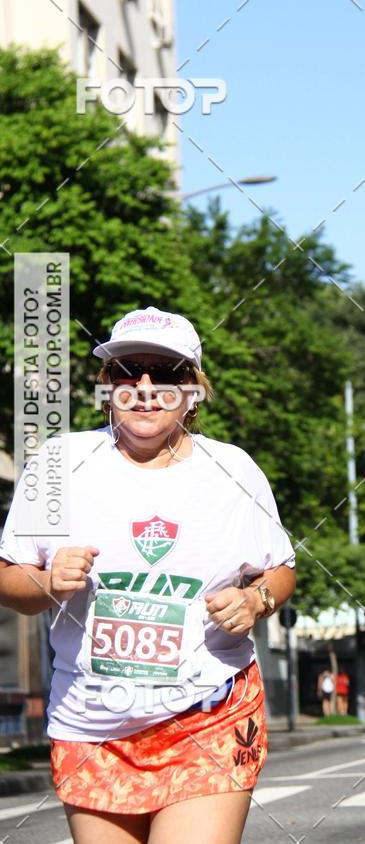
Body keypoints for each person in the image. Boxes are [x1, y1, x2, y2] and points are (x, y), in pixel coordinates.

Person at [0, 306, 296, 844]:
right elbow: (8, 580)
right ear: (107, 385)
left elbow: (279, 570)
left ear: (193, 390)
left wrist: (256, 601)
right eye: (125, 371)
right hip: (92, 726)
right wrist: (46, 582)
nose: (144, 388)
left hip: (209, 713)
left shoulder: (233, 471)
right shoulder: (59, 464)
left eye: (165, 373)